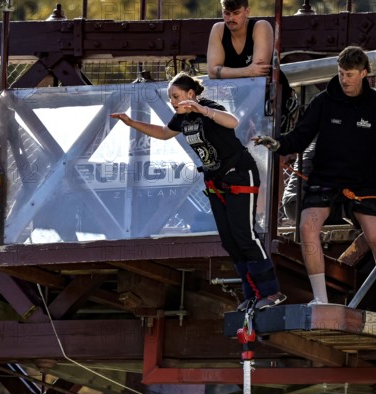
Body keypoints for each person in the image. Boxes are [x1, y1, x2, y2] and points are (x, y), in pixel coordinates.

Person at [252, 46, 376, 318]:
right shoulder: (323, 102)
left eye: (349, 74)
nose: (344, 80)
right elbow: (300, 137)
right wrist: (278, 143)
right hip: (325, 179)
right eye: (340, 73)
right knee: (307, 225)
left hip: (362, 182)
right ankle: (321, 299)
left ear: (364, 73)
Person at [110, 72, 286, 311]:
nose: (172, 101)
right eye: (170, 97)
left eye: (176, 96)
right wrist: (132, 123)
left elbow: (232, 122)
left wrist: (202, 110)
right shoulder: (181, 118)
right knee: (230, 241)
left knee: (245, 235)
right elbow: (163, 133)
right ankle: (253, 294)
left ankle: (271, 292)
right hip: (216, 182)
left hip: (239, 173)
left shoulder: (207, 107)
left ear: (191, 94)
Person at [207, 0, 298, 134]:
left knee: (278, 149)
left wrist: (226, 72)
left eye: (236, 13)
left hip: (273, 102)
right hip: (241, 101)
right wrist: (247, 70)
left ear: (247, 11)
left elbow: (258, 74)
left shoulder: (260, 27)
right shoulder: (218, 30)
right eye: (227, 13)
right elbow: (212, 72)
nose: (231, 18)